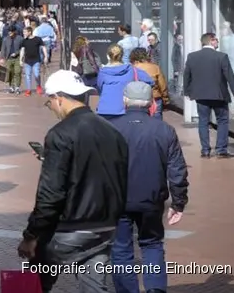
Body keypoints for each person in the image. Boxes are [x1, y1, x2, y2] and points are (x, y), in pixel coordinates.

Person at [19, 70, 128, 292]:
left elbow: (51, 192)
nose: (52, 109)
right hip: (104, 224)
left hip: (71, 226)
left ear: (58, 97)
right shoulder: (112, 131)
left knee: (35, 281)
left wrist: (32, 234)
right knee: (93, 284)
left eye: (50, 103)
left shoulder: (60, 134)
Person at [108, 82, 189, 293]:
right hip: (152, 199)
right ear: (151, 103)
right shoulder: (164, 130)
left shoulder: (111, 128)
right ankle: (155, 289)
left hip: (118, 200)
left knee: (121, 249)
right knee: (152, 244)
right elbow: (177, 170)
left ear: (125, 101)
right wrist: (178, 202)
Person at [183, 32, 234, 158]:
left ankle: (205, 150)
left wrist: (186, 91)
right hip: (219, 95)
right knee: (223, 121)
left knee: (203, 121)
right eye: (216, 40)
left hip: (200, 95)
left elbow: (187, 75)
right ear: (212, 41)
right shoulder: (221, 56)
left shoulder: (192, 56)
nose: (218, 43)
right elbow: (229, 76)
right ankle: (221, 149)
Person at [96, 44, 153, 119]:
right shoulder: (131, 70)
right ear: (122, 55)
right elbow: (150, 82)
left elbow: (99, 88)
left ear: (108, 56)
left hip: (105, 109)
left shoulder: (103, 72)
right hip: (124, 109)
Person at [129, 47, 169, 120]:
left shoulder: (132, 69)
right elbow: (162, 85)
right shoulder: (155, 67)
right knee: (157, 121)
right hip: (154, 98)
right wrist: (165, 98)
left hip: (137, 98)